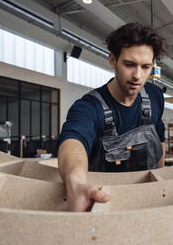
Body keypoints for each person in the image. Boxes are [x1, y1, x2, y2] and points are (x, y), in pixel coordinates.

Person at [58, 23, 167, 211]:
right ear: (112, 60)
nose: (138, 76)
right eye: (129, 64)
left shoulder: (155, 96)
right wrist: (76, 184)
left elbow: (159, 139)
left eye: (146, 67)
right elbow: (73, 142)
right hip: (104, 202)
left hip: (148, 200)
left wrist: (161, 182)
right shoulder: (88, 107)